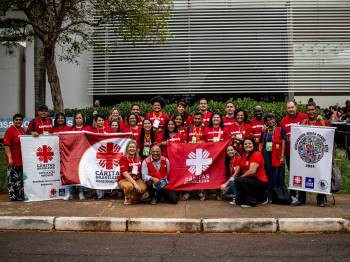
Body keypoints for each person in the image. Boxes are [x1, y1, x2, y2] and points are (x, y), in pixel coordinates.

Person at [298, 102, 329, 207]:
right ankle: (301, 199)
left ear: (316, 110)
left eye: (313, 109)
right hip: (306, 154)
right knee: (304, 174)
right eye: (309, 110)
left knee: (320, 174)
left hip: (319, 155)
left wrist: (322, 121)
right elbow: (299, 134)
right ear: (306, 111)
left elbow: (328, 135)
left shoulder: (322, 121)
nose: (311, 112)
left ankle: (320, 199)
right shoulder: (304, 122)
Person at [279, 100, 308, 199]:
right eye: (289, 108)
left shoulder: (304, 117)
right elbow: (282, 138)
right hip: (289, 153)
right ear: (286, 109)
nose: (291, 109)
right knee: (292, 174)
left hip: (303, 153)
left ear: (296, 107)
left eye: (292, 107)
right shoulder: (283, 121)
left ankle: (302, 197)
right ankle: (292, 195)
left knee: (302, 174)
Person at [259, 113, 287, 204]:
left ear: (275, 119)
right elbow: (260, 142)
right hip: (266, 155)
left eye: (272, 119)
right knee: (268, 175)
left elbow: (283, 143)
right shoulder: (264, 130)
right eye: (268, 120)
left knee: (277, 176)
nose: (270, 121)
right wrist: (263, 132)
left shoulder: (280, 129)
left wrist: (282, 156)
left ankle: (277, 197)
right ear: (266, 122)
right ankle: (269, 196)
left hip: (277, 155)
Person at [233, 138, 268, 207]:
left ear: (253, 145)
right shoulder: (244, 154)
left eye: (249, 143)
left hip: (259, 180)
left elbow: (252, 171)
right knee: (238, 201)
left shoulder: (257, 154)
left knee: (238, 180)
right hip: (250, 180)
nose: (247, 145)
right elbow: (239, 166)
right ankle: (260, 197)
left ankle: (251, 202)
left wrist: (240, 178)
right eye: (245, 144)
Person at [4, 113, 25, 200]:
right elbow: (7, 145)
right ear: (13, 121)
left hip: (22, 159)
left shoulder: (23, 130)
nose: (18, 121)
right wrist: (10, 157)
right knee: (13, 178)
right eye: (16, 120)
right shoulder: (10, 130)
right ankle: (13, 195)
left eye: (20, 120)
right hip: (14, 159)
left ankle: (20, 195)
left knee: (20, 178)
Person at [118, 140, 147, 205]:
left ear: (136, 149)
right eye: (130, 147)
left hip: (136, 178)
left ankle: (133, 198)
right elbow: (124, 173)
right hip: (124, 179)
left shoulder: (139, 158)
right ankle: (127, 197)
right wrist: (135, 184)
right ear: (127, 148)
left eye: (134, 147)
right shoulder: (123, 158)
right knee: (129, 186)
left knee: (143, 188)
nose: (132, 149)